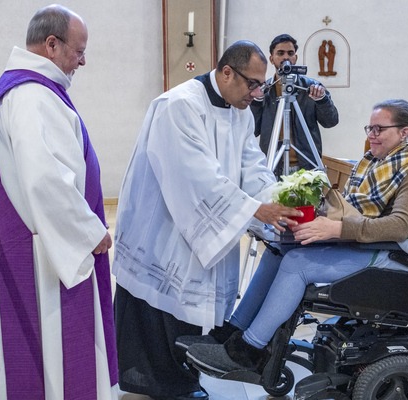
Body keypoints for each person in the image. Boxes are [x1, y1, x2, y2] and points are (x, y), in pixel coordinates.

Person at [185, 99, 408, 375]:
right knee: (279, 250)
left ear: (404, 133)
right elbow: (354, 209)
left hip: (396, 255)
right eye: (370, 128)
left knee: (297, 264)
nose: (371, 135)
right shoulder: (379, 161)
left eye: (379, 129)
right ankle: (233, 332)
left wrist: (336, 229)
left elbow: (401, 226)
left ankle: (250, 350)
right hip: (372, 244)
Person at [112, 40, 303, 400]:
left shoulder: (240, 112)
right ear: (226, 71)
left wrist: (279, 201)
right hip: (164, 232)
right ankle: (159, 385)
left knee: (186, 312)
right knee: (157, 313)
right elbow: (195, 176)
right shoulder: (179, 106)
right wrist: (252, 210)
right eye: (252, 83)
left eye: (262, 85)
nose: (257, 93)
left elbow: (253, 167)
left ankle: (180, 380)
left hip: (197, 229)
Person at [0, 5, 118, 399]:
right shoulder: (31, 95)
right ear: (52, 45)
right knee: (55, 367)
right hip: (45, 259)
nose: (83, 61)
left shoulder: (27, 90)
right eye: (79, 50)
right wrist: (89, 232)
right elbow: (45, 179)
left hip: (42, 247)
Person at [252, 34, 339, 175]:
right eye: (280, 53)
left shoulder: (312, 87)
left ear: (295, 58)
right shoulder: (264, 90)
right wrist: (257, 101)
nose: (286, 57)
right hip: (273, 167)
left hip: (306, 167)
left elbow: (331, 121)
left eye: (290, 53)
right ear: (272, 59)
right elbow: (253, 130)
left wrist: (322, 99)